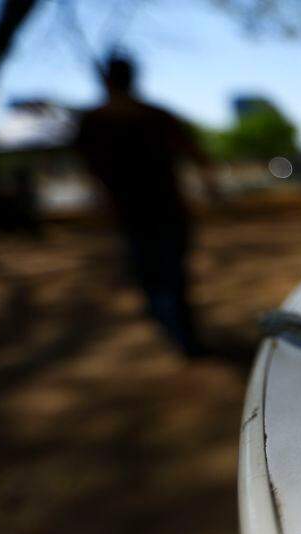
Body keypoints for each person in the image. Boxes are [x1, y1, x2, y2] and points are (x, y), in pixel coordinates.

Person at [75, 54, 217, 356]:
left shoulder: (95, 123)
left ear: (107, 80)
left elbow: (90, 172)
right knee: (167, 276)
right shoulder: (154, 117)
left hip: (140, 215)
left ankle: (176, 330)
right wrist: (210, 188)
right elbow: (197, 156)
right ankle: (180, 332)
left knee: (155, 276)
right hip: (163, 212)